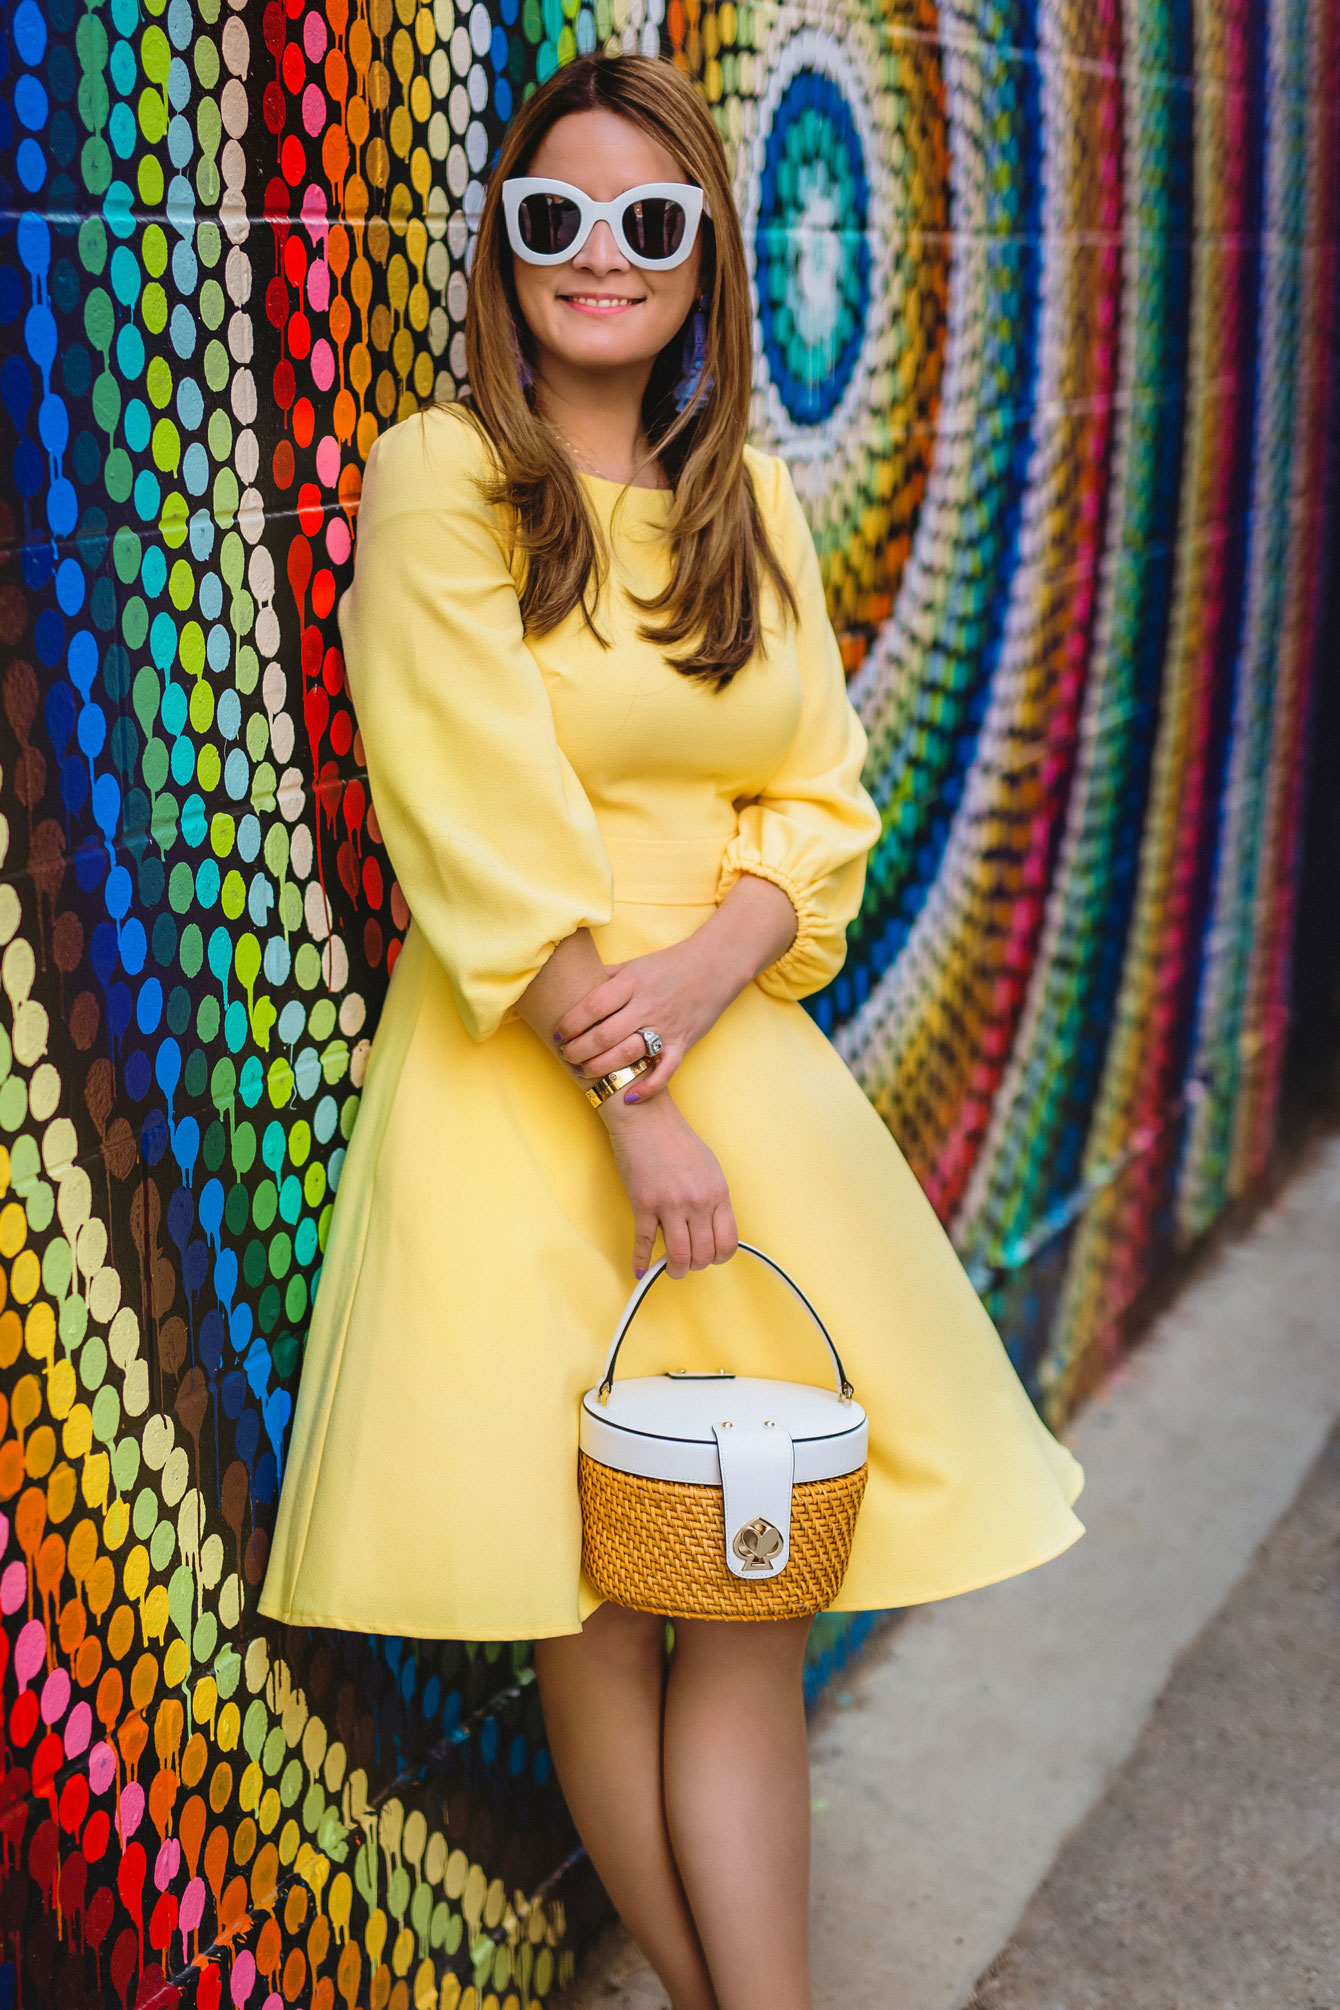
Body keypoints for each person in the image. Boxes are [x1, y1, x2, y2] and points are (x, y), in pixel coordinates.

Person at [260, 53, 1086, 2010]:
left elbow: (818, 806)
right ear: (502, 246)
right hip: (517, 1098)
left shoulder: (748, 509)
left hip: (743, 1090)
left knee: (742, 1594)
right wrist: (634, 1091)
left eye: (652, 222)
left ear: (706, 256)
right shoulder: (443, 476)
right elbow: (471, 817)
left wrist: (710, 976)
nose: (601, 258)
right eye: (557, 218)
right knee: (600, 1611)